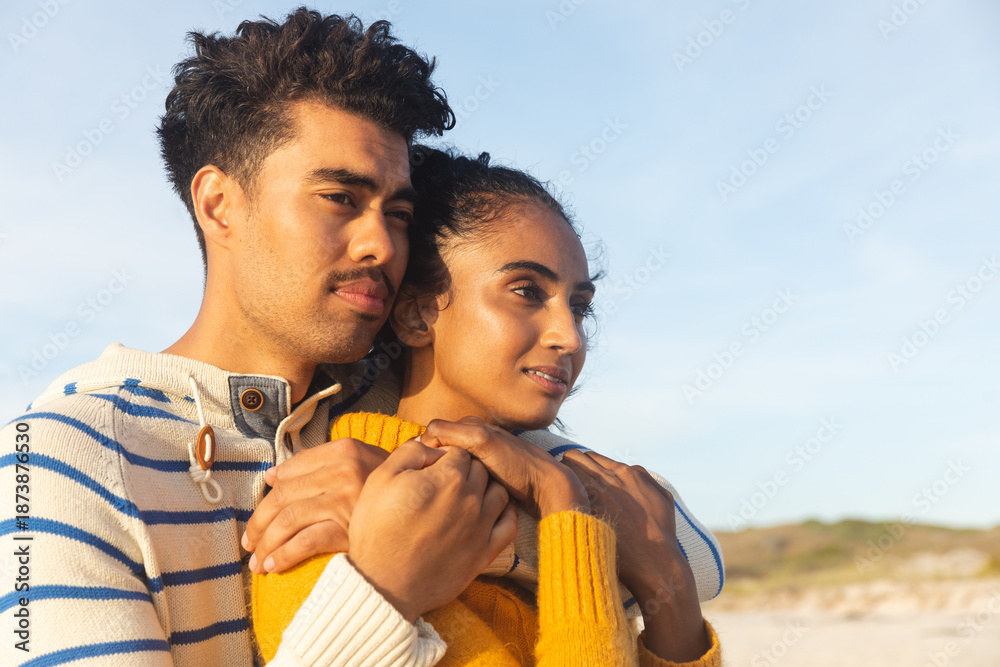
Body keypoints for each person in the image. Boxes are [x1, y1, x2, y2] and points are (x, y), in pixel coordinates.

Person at [0, 10, 512, 666]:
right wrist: (382, 587)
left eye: (400, 212)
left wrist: (470, 526)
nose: (382, 243)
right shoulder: (60, 461)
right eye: (339, 198)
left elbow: (663, 551)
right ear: (218, 204)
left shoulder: (408, 405)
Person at [251, 148, 722, 666]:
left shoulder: (553, 485)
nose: (569, 336)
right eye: (525, 291)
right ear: (416, 316)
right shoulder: (323, 521)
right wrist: (562, 507)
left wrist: (670, 587)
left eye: (580, 306)